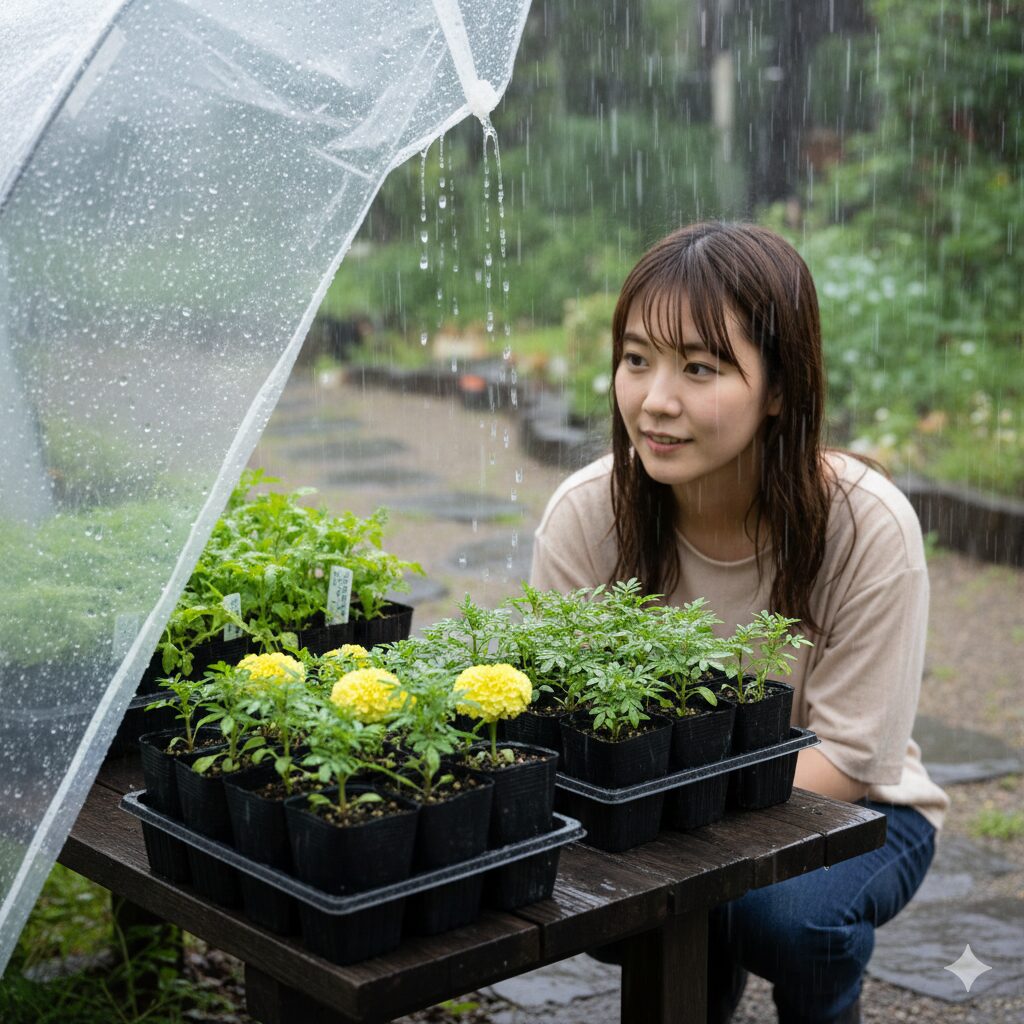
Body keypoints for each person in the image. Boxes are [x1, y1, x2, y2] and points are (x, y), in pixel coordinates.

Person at [529, 222, 948, 1024]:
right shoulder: (590, 514)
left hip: (859, 806)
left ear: (781, 387)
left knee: (786, 918)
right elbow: (565, 723)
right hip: (664, 801)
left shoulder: (866, 526)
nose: (655, 400)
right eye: (636, 359)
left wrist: (670, 820)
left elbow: (853, 758)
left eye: (699, 367)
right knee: (634, 911)